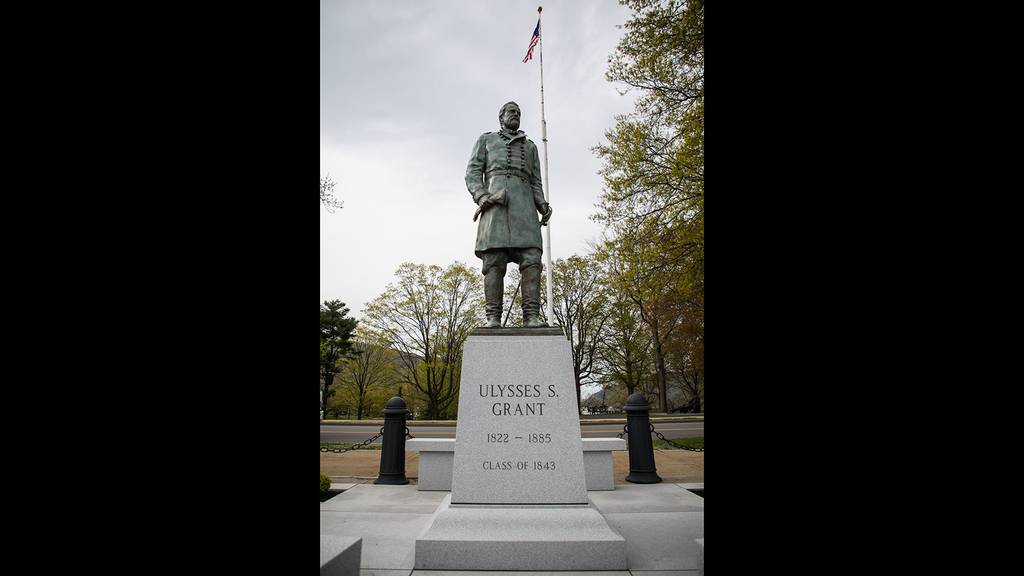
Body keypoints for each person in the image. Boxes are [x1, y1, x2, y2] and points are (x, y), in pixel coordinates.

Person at [466, 101, 553, 328]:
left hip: (525, 207)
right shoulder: (487, 140)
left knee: (532, 259)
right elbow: (473, 172)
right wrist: (482, 196)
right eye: (511, 112)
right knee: (494, 261)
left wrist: (542, 204)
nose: (515, 115)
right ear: (501, 116)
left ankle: (531, 316)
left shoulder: (531, 147)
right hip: (496, 206)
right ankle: (493, 317)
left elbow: (536, 181)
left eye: (519, 113)